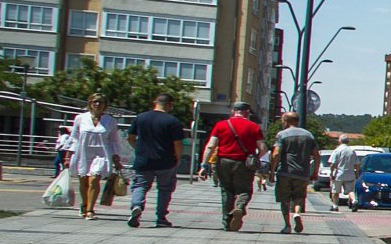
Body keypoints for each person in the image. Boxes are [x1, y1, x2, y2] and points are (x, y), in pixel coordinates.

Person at [199, 101, 266, 231]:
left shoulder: (221, 125)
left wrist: (204, 165)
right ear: (247, 112)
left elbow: (211, 146)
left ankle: (227, 222)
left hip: (223, 161)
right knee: (244, 190)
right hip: (244, 163)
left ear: (233, 111)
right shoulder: (254, 127)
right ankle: (239, 208)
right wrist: (256, 157)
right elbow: (263, 148)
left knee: (226, 191)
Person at [126, 93, 185, 228]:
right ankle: (161, 217)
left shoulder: (141, 118)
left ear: (155, 102)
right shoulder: (173, 121)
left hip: (143, 160)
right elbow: (178, 143)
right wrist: (178, 157)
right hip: (166, 161)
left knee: (140, 185)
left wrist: (138, 148)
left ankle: (137, 206)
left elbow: (130, 137)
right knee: (165, 189)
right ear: (170, 105)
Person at [65, 92, 123, 220]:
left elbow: (114, 140)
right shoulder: (80, 118)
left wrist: (116, 157)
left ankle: (90, 209)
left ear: (105, 105)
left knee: (94, 180)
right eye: (94, 102)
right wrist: (68, 156)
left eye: (100, 102)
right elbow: (74, 138)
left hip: (101, 153)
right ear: (90, 103)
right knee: (83, 182)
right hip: (83, 153)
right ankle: (84, 205)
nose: (97, 104)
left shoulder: (110, 121)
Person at [269, 111, 319, 234]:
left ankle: (287, 225)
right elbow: (317, 155)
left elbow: (276, 154)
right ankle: (296, 213)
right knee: (299, 197)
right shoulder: (309, 135)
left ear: (286, 121)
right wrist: (315, 172)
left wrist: (271, 171)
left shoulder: (282, 135)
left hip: (285, 172)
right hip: (303, 173)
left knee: (284, 199)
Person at [328, 134, 359, 212]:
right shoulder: (352, 151)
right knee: (350, 190)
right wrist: (357, 173)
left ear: (339, 141)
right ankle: (354, 201)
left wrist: (331, 173)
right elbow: (357, 164)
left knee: (335, 191)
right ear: (348, 141)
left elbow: (332, 164)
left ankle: (335, 206)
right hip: (350, 174)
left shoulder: (337, 150)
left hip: (338, 174)